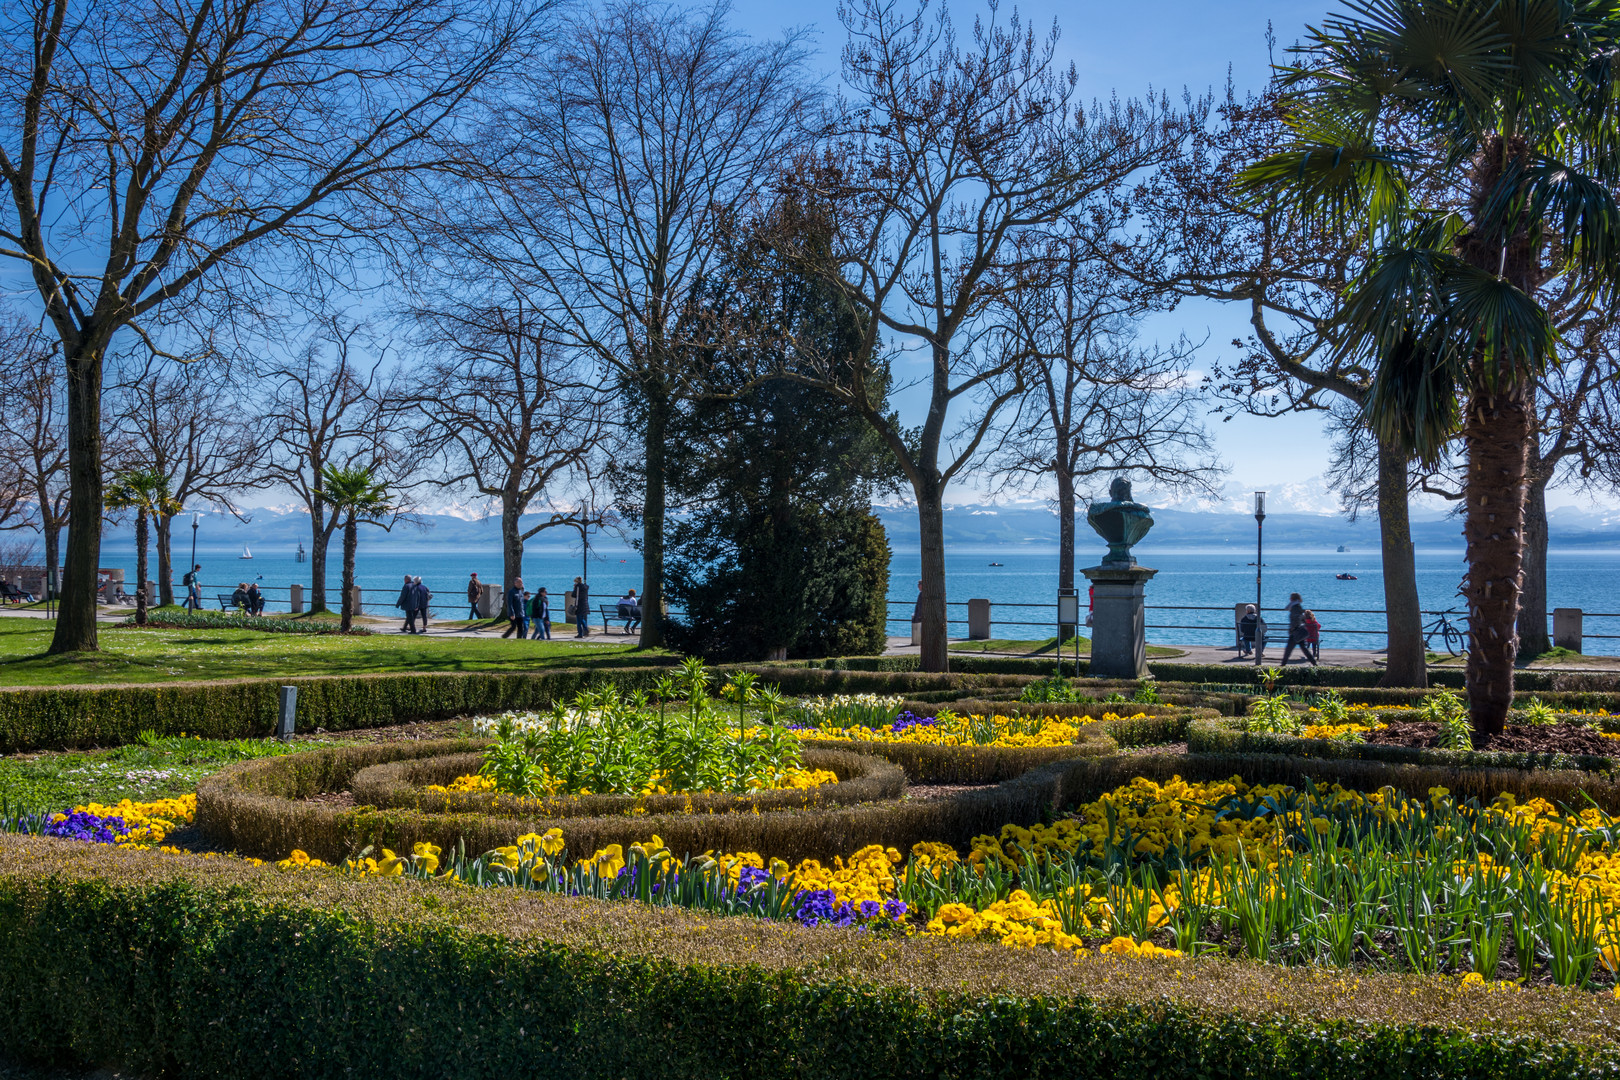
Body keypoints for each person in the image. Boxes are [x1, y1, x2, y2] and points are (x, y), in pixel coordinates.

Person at [1281, 592, 1306, 665]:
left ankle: (1283, 665)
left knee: (1288, 649)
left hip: (1295, 630)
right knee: (1304, 649)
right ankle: (1314, 663)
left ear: (1292, 599)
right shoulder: (1297, 606)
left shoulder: (1294, 607)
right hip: (1299, 630)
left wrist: (1292, 628)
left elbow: (1296, 618)